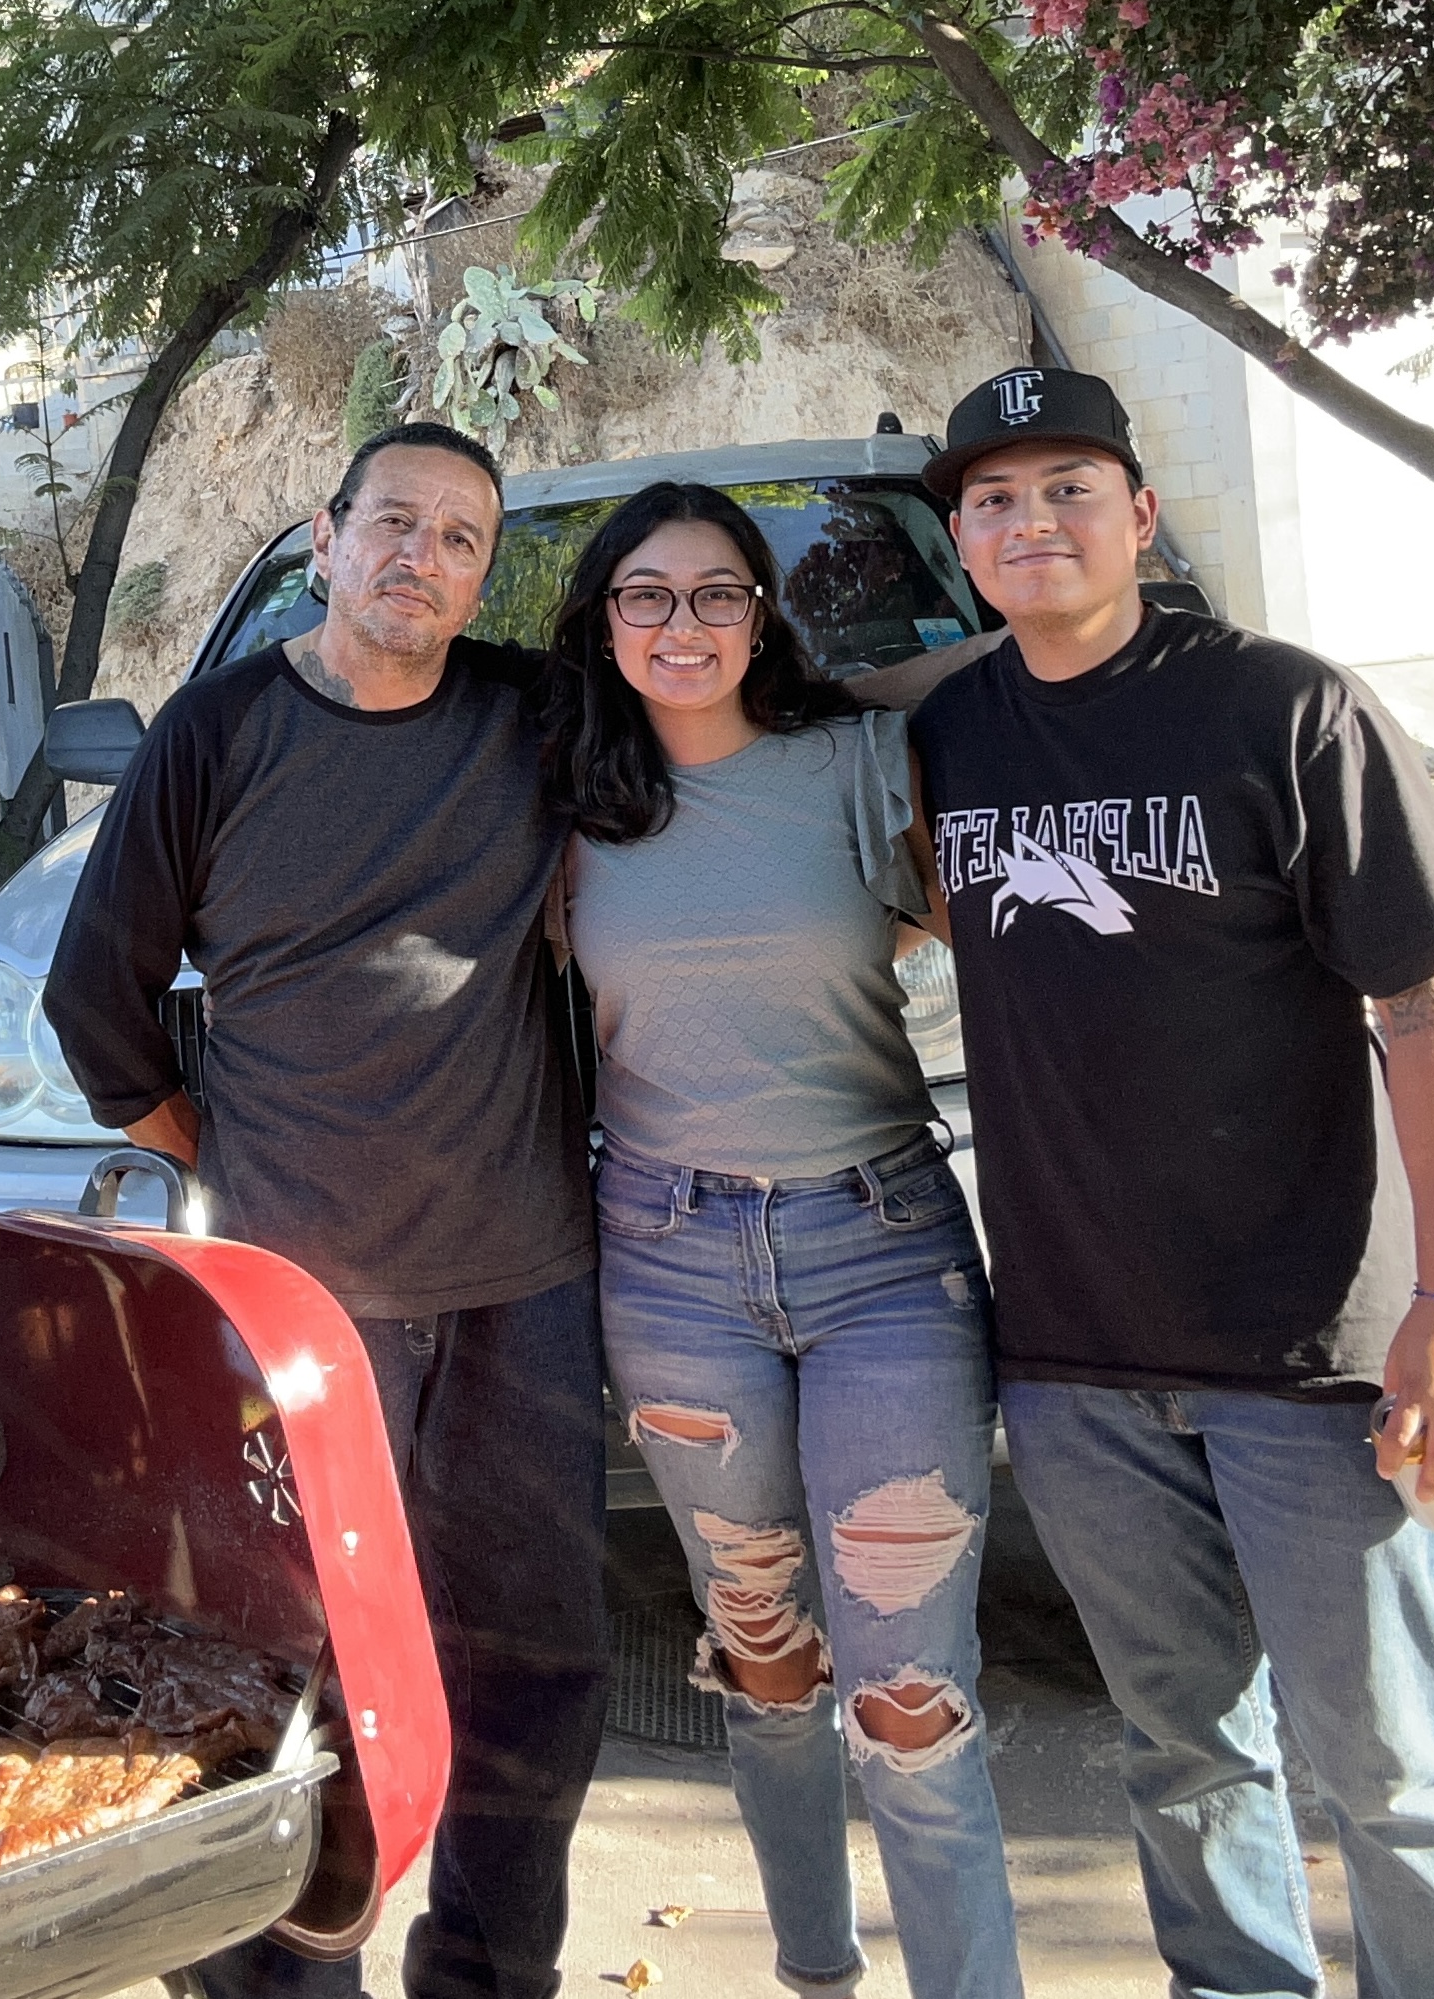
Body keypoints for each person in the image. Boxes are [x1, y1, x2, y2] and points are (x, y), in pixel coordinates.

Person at [908, 367, 1434, 1998]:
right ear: (961, 535)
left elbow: (1428, 1004)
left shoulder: (1286, 708)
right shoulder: (953, 731)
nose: (1029, 522)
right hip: (1075, 1359)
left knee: (1396, 1767)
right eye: (994, 500)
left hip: (1314, 1356)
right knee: (1184, 1758)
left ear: (1139, 515)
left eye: (1066, 490)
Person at [42, 423, 607, 1999]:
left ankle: (490, 1975)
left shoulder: (527, 717)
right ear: (325, 535)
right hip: (295, 1310)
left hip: (523, 1290)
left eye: (461, 539)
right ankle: (279, 1981)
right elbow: (99, 1002)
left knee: (533, 1666)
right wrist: (228, 1146)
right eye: (395, 524)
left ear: (483, 576)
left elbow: (722, 725)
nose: (422, 557)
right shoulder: (217, 734)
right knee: (281, 1665)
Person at [538, 481, 1023, 1999]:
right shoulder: (554, 800)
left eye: (720, 594)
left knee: (907, 1689)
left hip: (882, 1250)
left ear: (765, 614)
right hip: (673, 1266)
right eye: (649, 598)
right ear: (603, 623)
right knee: (765, 1656)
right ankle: (819, 1974)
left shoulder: (861, 762)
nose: (685, 626)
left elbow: (999, 676)